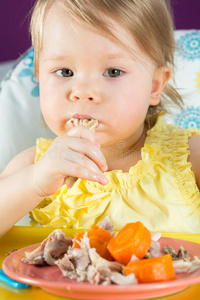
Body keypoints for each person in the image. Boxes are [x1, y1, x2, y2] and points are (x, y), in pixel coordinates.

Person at [0, 0, 200, 237]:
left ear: (155, 86)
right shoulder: (34, 165)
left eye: (113, 72)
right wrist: (35, 182)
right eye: (65, 72)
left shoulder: (189, 158)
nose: (83, 91)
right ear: (39, 77)